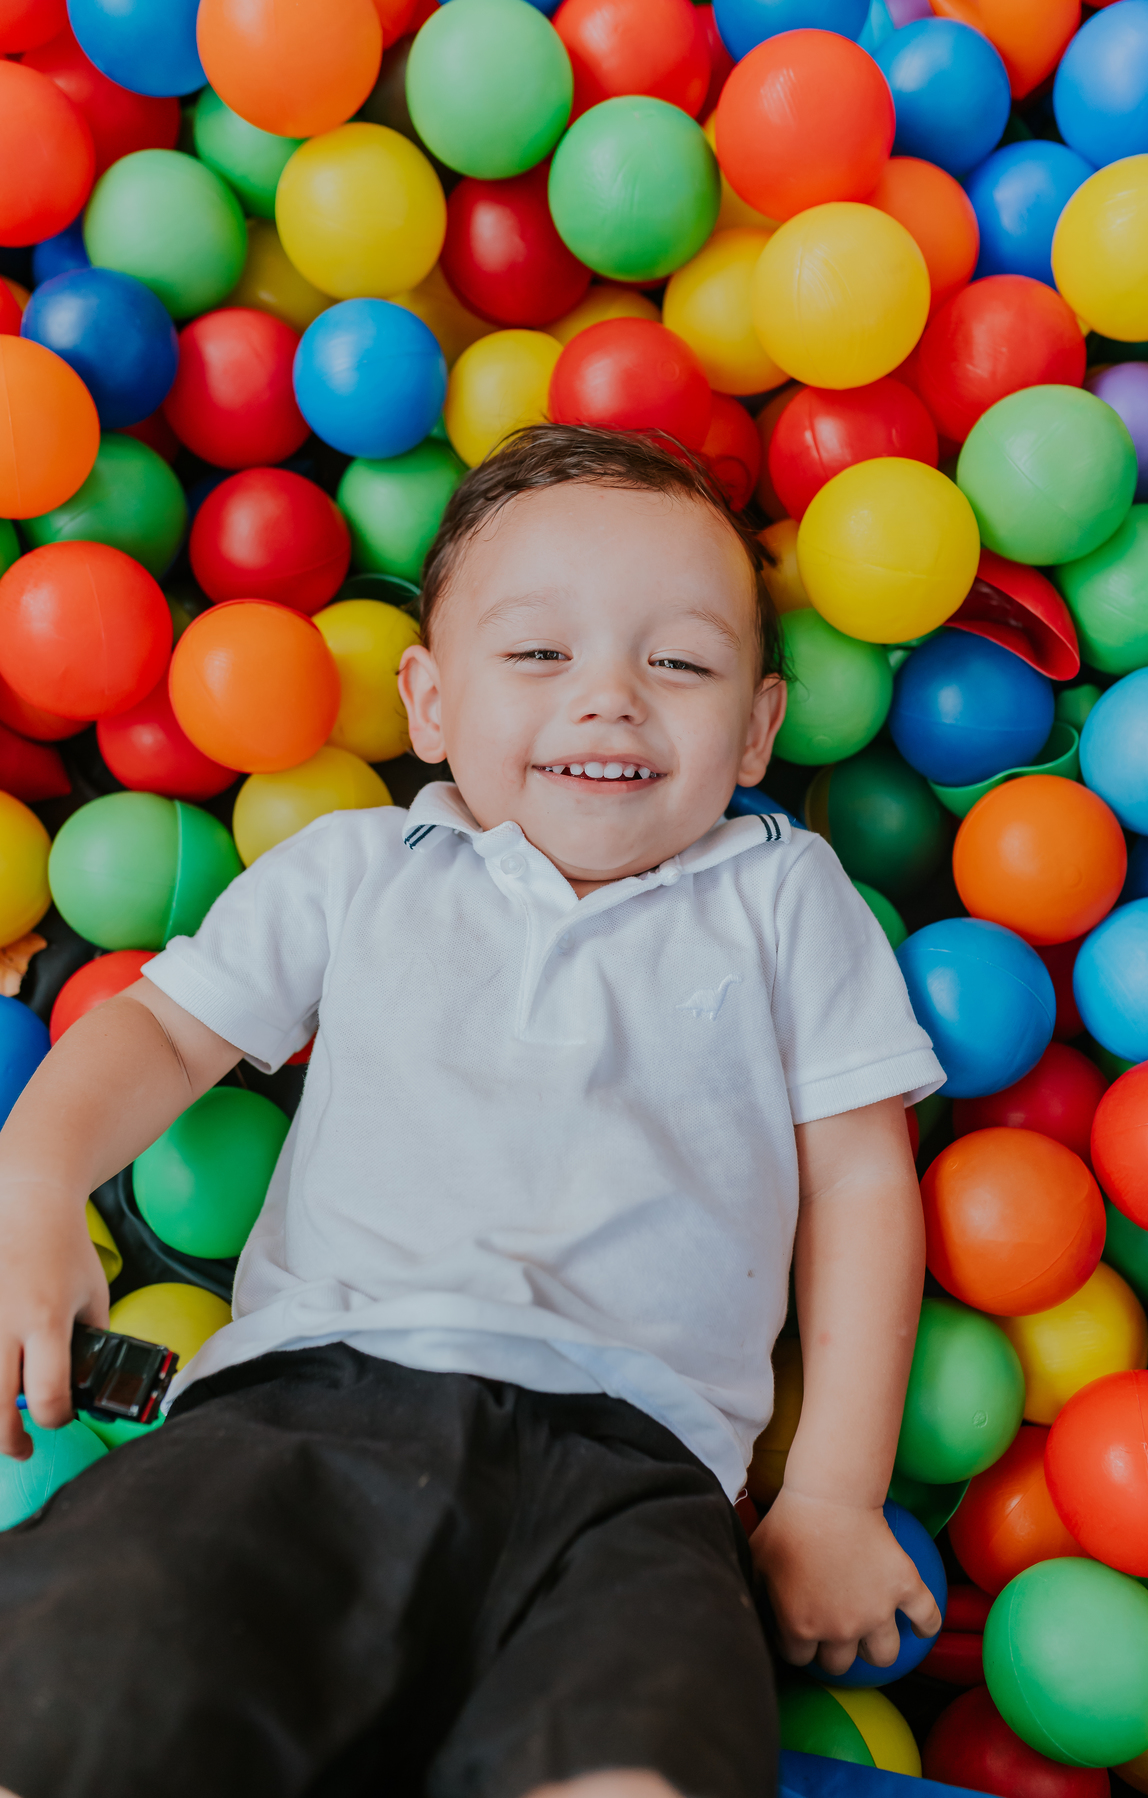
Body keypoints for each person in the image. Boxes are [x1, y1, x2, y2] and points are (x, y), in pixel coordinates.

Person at [0, 425, 945, 1798]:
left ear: (756, 729)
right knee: (85, 1670)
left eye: (677, 661)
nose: (611, 698)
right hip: (302, 1413)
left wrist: (833, 1493)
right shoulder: (360, 870)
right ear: (430, 703)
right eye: (539, 655)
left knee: (641, 1752)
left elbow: (861, 1183)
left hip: (637, 1478)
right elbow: (152, 1028)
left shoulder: (784, 898)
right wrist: (33, 1189)